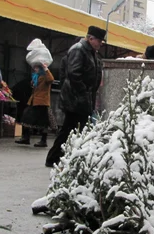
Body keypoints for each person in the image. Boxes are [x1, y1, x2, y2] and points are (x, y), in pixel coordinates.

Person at [45, 26, 105, 167]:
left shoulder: (90, 52)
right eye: (99, 40)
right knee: (69, 129)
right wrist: (84, 92)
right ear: (91, 38)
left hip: (81, 98)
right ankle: (54, 158)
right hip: (75, 99)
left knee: (73, 129)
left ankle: (61, 157)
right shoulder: (79, 50)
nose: (101, 44)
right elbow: (74, 74)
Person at [16, 62, 56, 147]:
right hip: (34, 101)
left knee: (43, 122)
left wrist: (46, 68)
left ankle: (43, 140)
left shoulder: (45, 76)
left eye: (37, 68)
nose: (35, 69)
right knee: (26, 117)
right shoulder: (36, 77)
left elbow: (51, 79)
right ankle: (26, 138)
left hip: (42, 102)